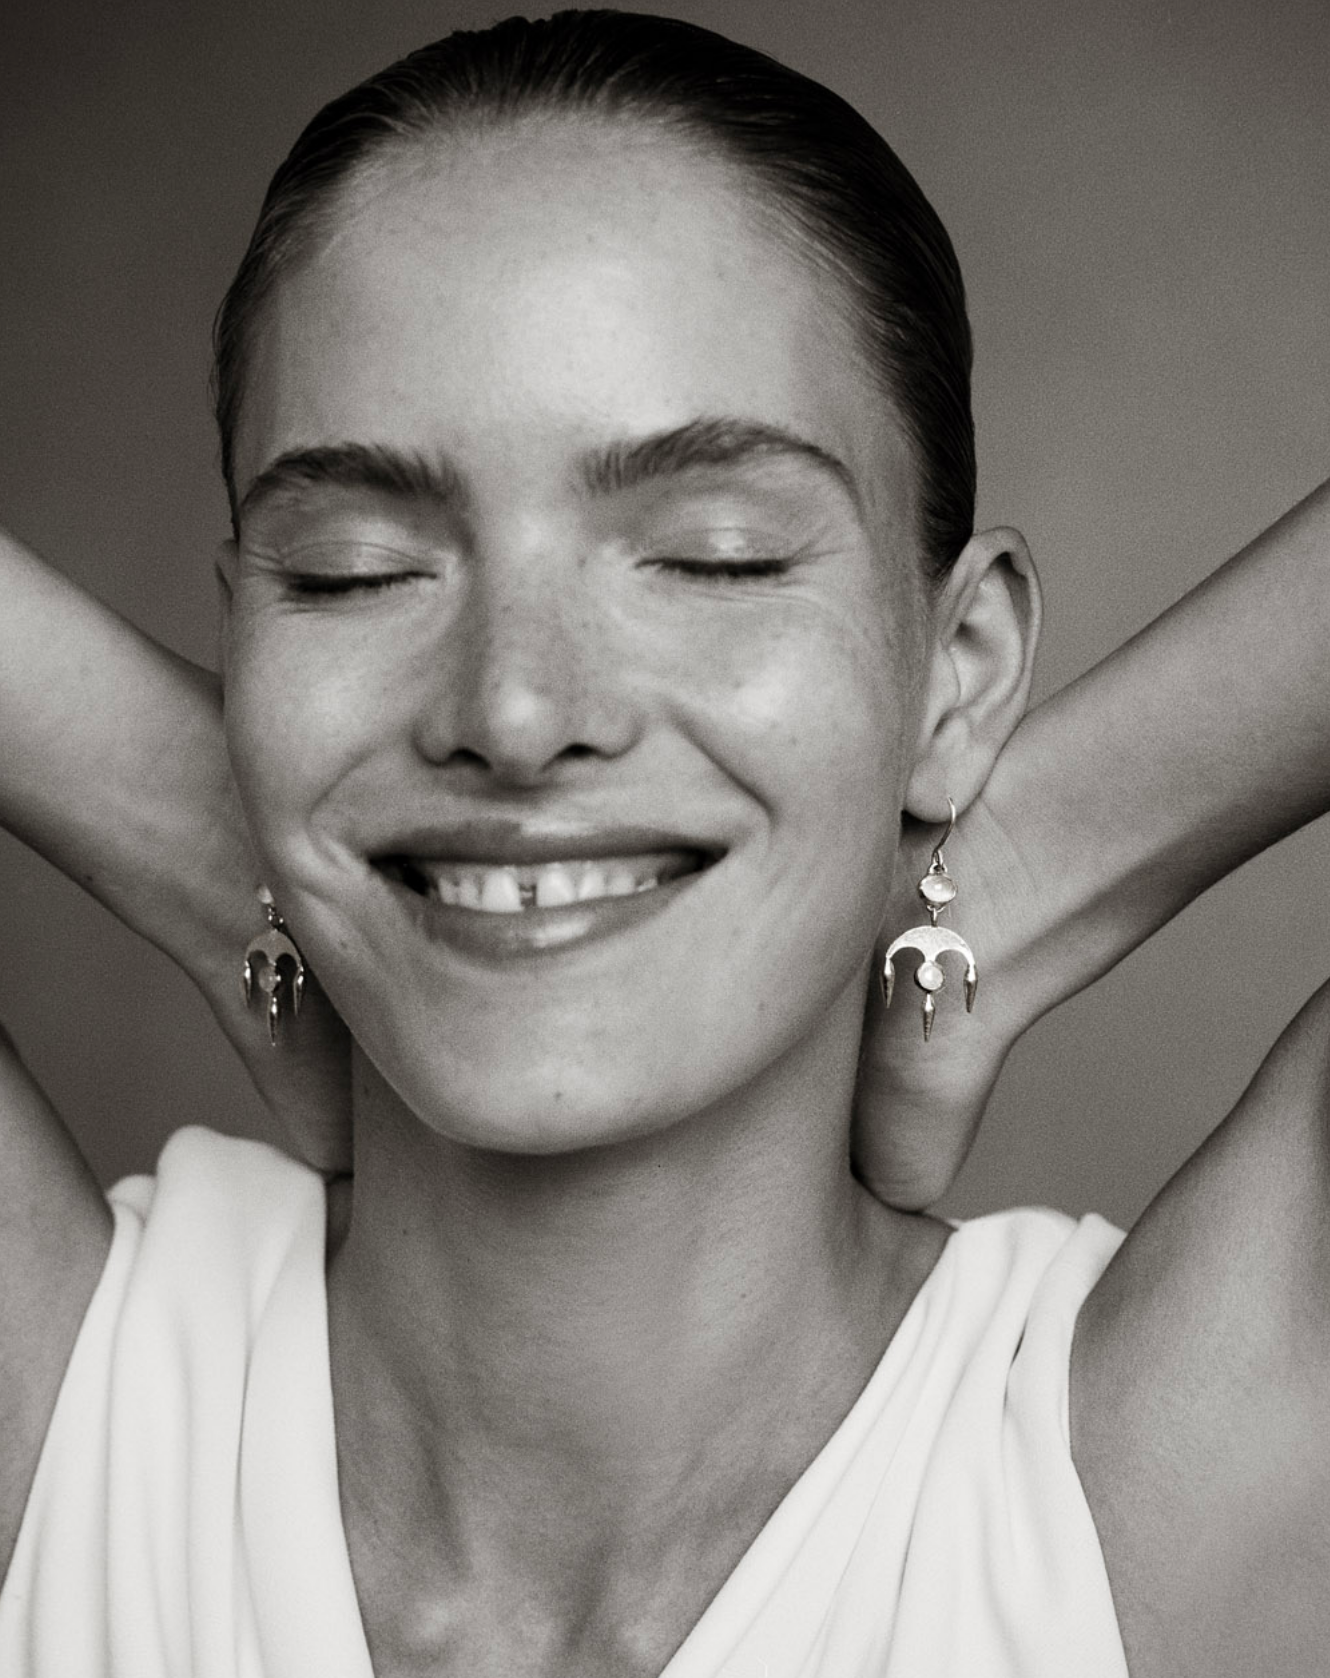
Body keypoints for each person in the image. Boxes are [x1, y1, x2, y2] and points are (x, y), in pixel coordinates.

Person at [0, 11, 1327, 1676]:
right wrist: (208, 832)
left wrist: (1034, 864)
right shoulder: (69, 1411)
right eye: (347, 570)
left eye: (706, 556)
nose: (516, 706)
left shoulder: (1159, 1469)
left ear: (961, 666)